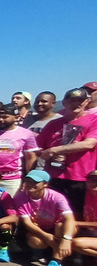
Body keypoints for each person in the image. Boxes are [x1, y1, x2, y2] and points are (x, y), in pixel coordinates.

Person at [36, 88, 97, 219]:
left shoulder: (93, 120)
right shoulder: (53, 124)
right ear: (64, 103)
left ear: (87, 102)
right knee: (54, 213)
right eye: (72, 101)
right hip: (53, 176)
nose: (76, 104)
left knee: (78, 214)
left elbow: (89, 143)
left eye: (80, 101)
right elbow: (38, 147)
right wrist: (46, 154)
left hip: (80, 177)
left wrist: (55, 150)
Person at [16, 170, 75, 266]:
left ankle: (56, 263)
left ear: (45, 184)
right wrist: (46, 236)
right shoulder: (20, 197)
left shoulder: (57, 197)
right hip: (39, 229)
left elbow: (69, 218)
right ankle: (44, 253)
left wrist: (67, 239)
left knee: (61, 226)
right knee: (36, 241)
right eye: (28, 181)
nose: (30, 184)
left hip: (57, 227)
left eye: (35, 182)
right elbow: (27, 223)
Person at [71, 170, 97, 266]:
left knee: (77, 243)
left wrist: (77, 223)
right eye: (92, 180)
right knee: (68, 233)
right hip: (91, 232)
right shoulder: (84, 194)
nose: (95, 183)